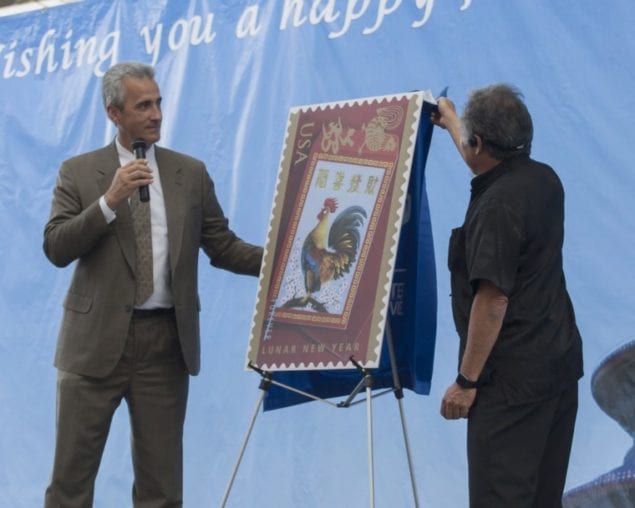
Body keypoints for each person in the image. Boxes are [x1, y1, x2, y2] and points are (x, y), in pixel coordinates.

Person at [43, 61, 262, 507]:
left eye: (158, 102)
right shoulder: (80, 172)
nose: (156, 114)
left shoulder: (190, 174)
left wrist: (288, 261)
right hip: (93, 346)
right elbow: (56, 247)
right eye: (143, 105)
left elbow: (223, 247)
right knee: (70, 485)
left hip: (164, 346)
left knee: (161, 491)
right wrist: (109, 201)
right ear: (114, 114)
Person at [431, 84, 583, 508]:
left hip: (510, 389)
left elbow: (493, 301)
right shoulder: (543, 178)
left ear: (479, 142)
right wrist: (451, 120)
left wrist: (465, 382)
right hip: (557, 369)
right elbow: (486, 163)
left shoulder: (497, 206)